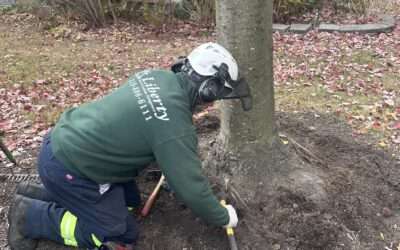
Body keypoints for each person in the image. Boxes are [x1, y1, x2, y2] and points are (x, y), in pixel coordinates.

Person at [8, 42, 248, 250]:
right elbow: (192, 189)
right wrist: (222, 216)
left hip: (64, 143)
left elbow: (149, 130)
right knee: (120, 234)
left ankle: (43, 193)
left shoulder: (157, 77)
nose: (212, 103)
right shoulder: (174, 126)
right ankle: (31, 217)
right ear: (207, 90)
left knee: (130, 200)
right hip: (72, 169)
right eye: (216, 97)